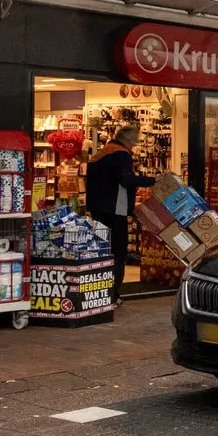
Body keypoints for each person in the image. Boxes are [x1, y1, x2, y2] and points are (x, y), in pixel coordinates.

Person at [84, 125, 147, 304]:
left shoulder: (100, 153)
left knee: (102, 251)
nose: (134, 146)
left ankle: (100, 292)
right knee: (119, 252)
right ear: (128, 140)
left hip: (97, 209)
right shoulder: (121, 154)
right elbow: (125, 179)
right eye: (134, 142)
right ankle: (113, 295)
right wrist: (153, 181)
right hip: (114, 210)